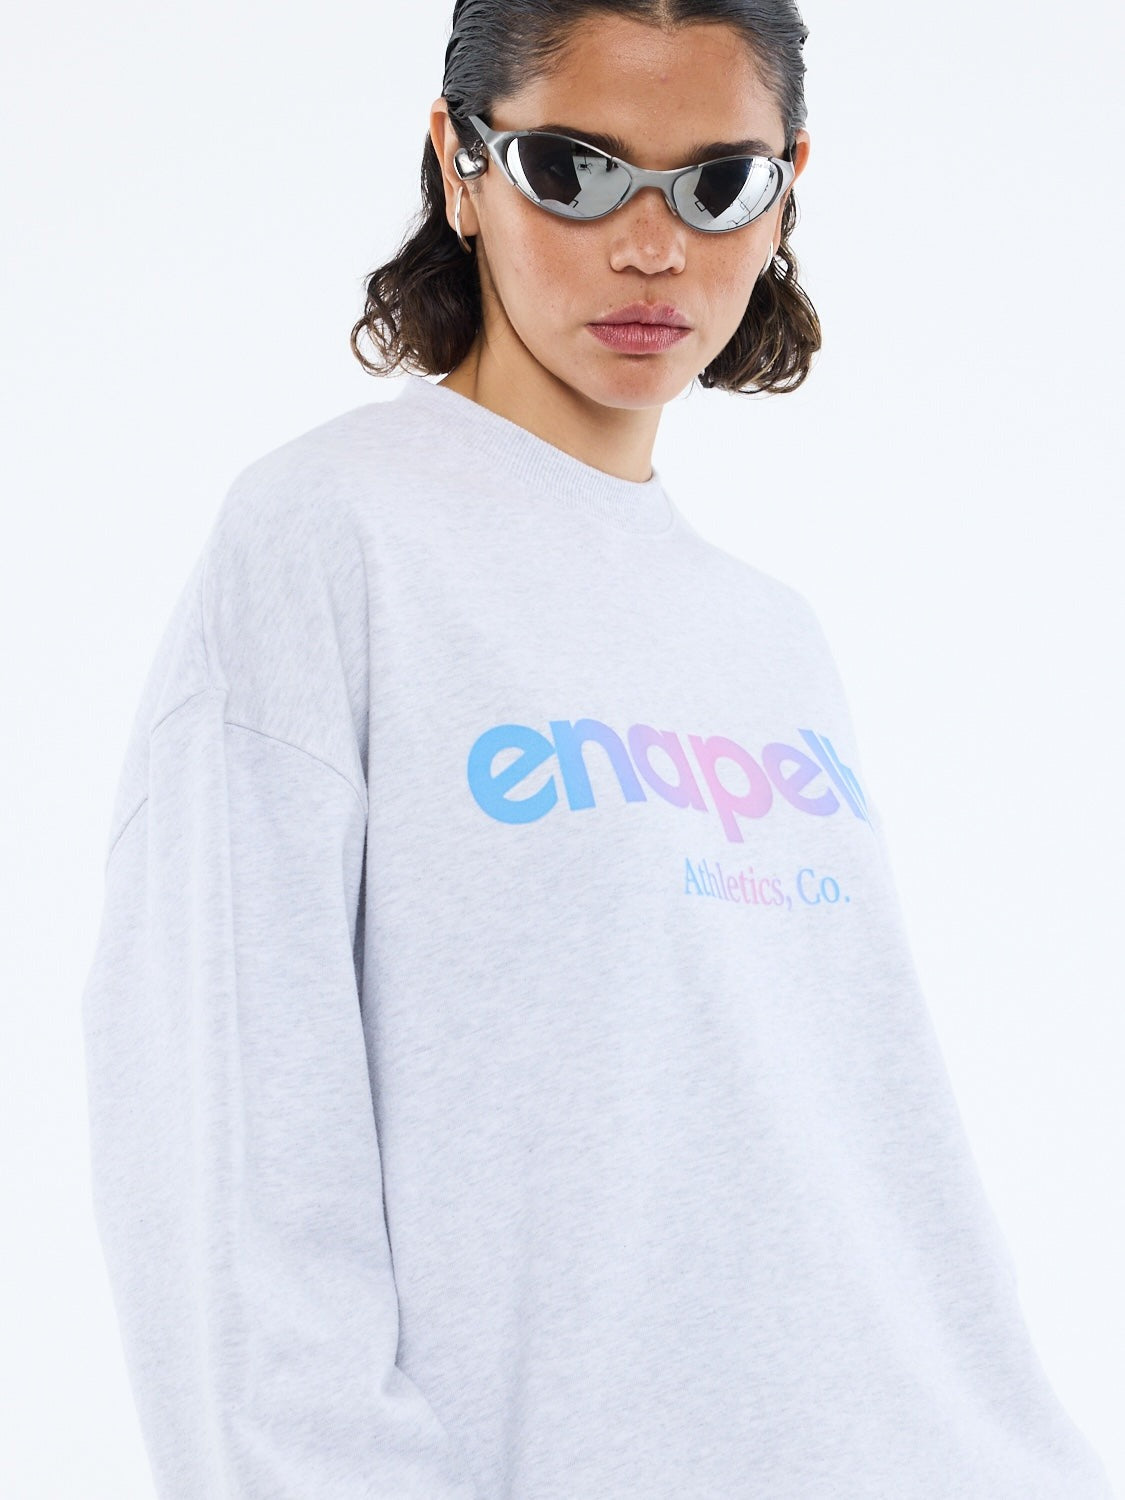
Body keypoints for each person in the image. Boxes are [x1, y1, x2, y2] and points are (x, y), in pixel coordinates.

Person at [79, 2, 1117, 1497]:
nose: (651, 246)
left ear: (786, 189)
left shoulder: (768, 633)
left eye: (717, 184)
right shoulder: (333, 537)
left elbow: (851, 1147)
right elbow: (229, 1171)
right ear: (460, 164)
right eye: (575, 171)